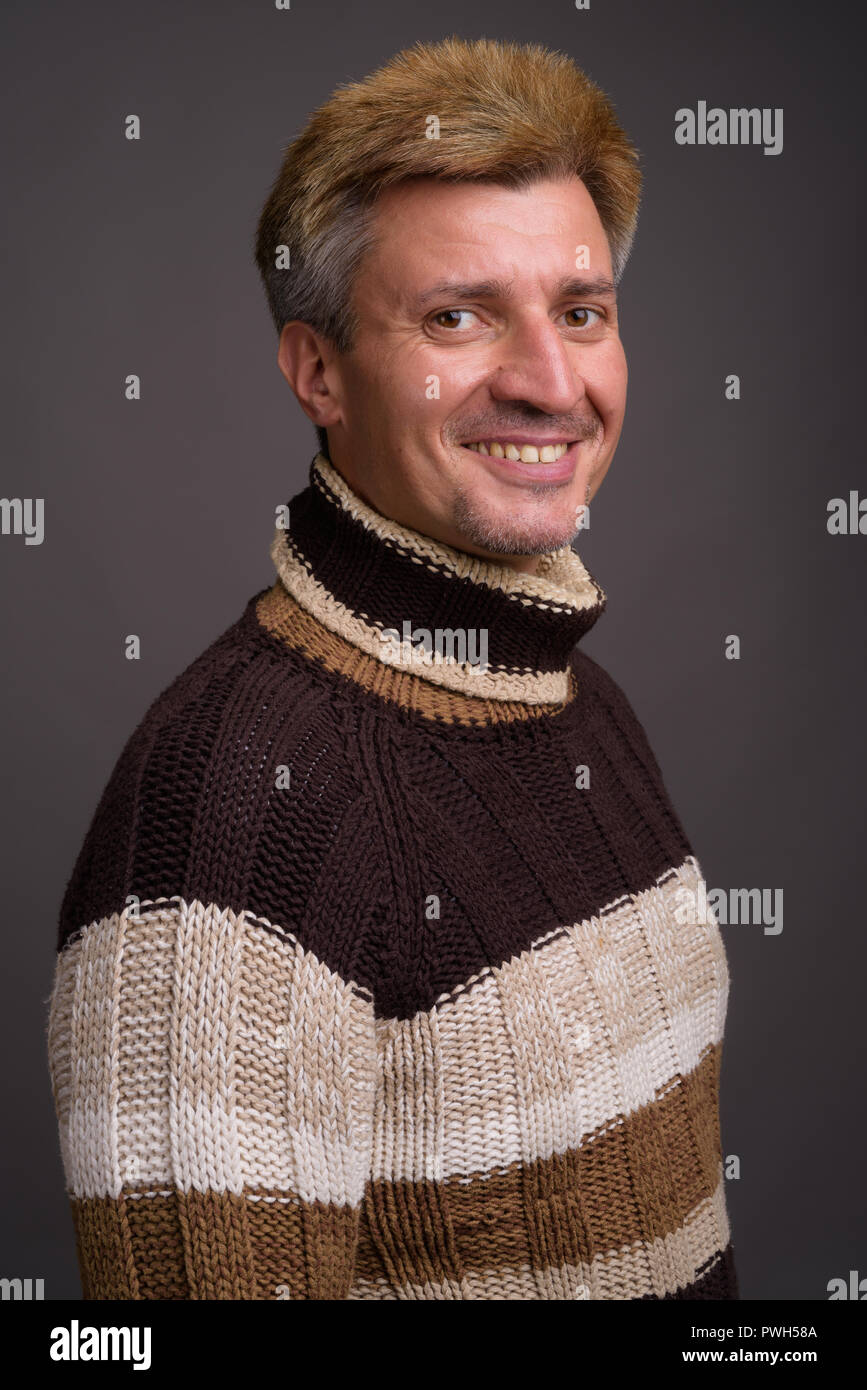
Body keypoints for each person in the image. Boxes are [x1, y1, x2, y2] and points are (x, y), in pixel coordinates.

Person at [46, 35, 738, 1300]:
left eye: (580, 312)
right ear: (319, 373)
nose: (550, 383)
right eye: (458, 317)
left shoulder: (583, 703)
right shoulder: (225, 805)